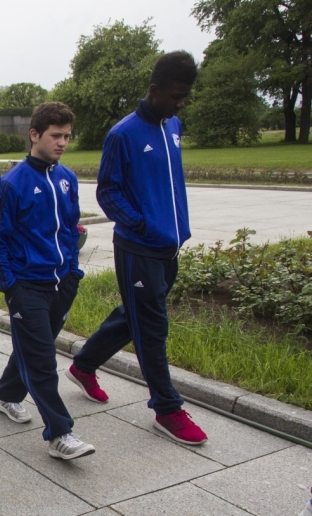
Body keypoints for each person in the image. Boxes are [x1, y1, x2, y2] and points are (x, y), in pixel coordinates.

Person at [65, 51, 208, 446]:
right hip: (138, 248)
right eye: (176, 95)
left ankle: (84, 363)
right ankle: (167, 408)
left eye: (186, 96)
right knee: (152, 326)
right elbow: (108, 192)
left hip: (169, 247)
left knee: (134, 316)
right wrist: (142, 224)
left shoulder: (173, 125)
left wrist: (170, 228)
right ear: (154, 90)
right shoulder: (123, 134)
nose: (181, 103)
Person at [0, 102, 95, 460]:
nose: (62, 142)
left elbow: (70, 229)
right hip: (27, 286)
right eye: (55, 136)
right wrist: (11, 288)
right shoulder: (12, 184)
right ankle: (60, 432)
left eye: (67, 136)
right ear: (34, 135)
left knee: (32, 348)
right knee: (42, 360)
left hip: (61, 283)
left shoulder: (67, 178)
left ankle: (6, 393)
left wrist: (73, 273)